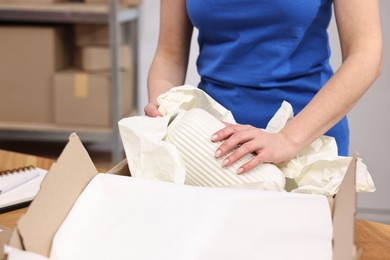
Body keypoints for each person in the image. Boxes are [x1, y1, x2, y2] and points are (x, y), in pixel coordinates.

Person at [145, 0, 382, 175]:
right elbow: (169, 54)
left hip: (307, 142)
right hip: (214, 143)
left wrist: (287, 139)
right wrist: (163, 105)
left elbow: (366, 54)